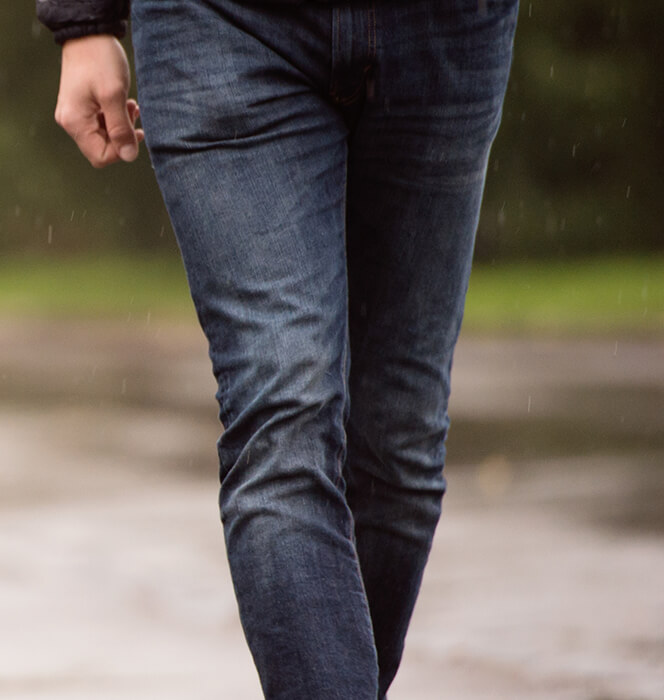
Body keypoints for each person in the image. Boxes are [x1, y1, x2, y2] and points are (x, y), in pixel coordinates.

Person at [38, 0, 518, 697]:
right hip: (220, 24)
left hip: (448, 27)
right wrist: (83, 20)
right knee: (283, 415)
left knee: (400, 445)